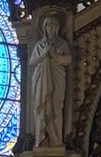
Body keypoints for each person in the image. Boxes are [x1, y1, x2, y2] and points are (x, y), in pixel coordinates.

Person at [29, 11, 72, 148]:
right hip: (41, 81)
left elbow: (68, 60)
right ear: (45, 28)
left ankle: (55, 139)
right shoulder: (39, 45)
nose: (52, 29)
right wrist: (44, 54)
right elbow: (32, 61)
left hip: (57, 79)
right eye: (49, 26)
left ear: (59, 28)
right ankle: (41, 138)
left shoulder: (62, 44)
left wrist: (54, 55)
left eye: (54, 26)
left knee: (55, 108)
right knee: (42, 108)